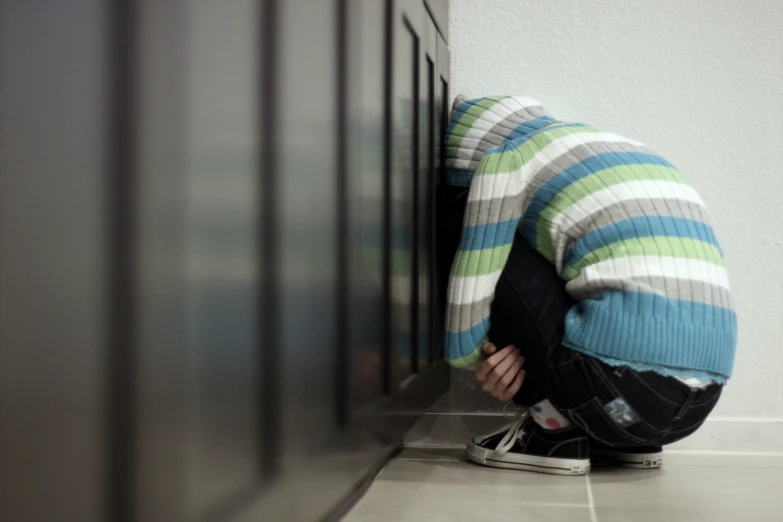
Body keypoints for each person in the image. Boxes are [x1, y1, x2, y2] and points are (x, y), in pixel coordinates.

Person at [443, 95, 736, 475]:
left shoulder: (507, 158)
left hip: (613, 392)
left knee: (472, 230)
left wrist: (479, 359)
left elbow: (466, 313)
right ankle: (615, 439)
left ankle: (553, 430)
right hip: (696, 406)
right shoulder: (617, 150)